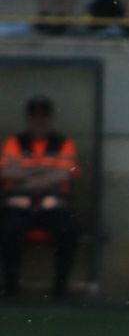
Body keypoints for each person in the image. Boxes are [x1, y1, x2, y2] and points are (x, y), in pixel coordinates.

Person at [1, 96, 81, 300]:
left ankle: (60, 290)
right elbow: (6, 172)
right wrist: (45, 172)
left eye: (43, 117)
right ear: (28, 119)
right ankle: (11, 289)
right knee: (8, 229)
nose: (39, 121)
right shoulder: (14, 142)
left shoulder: (64, 143)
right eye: (34, 117)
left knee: (70, 229)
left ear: (50, 119)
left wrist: (27, 175)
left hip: (54, 205)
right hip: (18, 205)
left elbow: (65, 173)